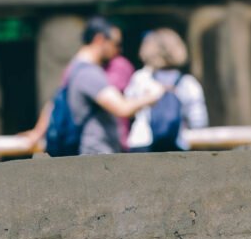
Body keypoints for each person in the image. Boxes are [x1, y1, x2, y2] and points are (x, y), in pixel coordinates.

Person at [21, 17, 161, 156]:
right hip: (96, 153)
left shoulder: (73, 69)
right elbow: (122, 108)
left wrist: (37, 132)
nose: (119, 50)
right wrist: (152, 96)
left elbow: (53, 104)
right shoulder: (89, 74)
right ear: (99, 39)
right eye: (116, 43)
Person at [125, 29, 208, 153]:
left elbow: (128, 108)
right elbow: (199, 121)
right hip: (177, 145)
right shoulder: (188, 83)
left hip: (142, 143)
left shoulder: (141, 78)